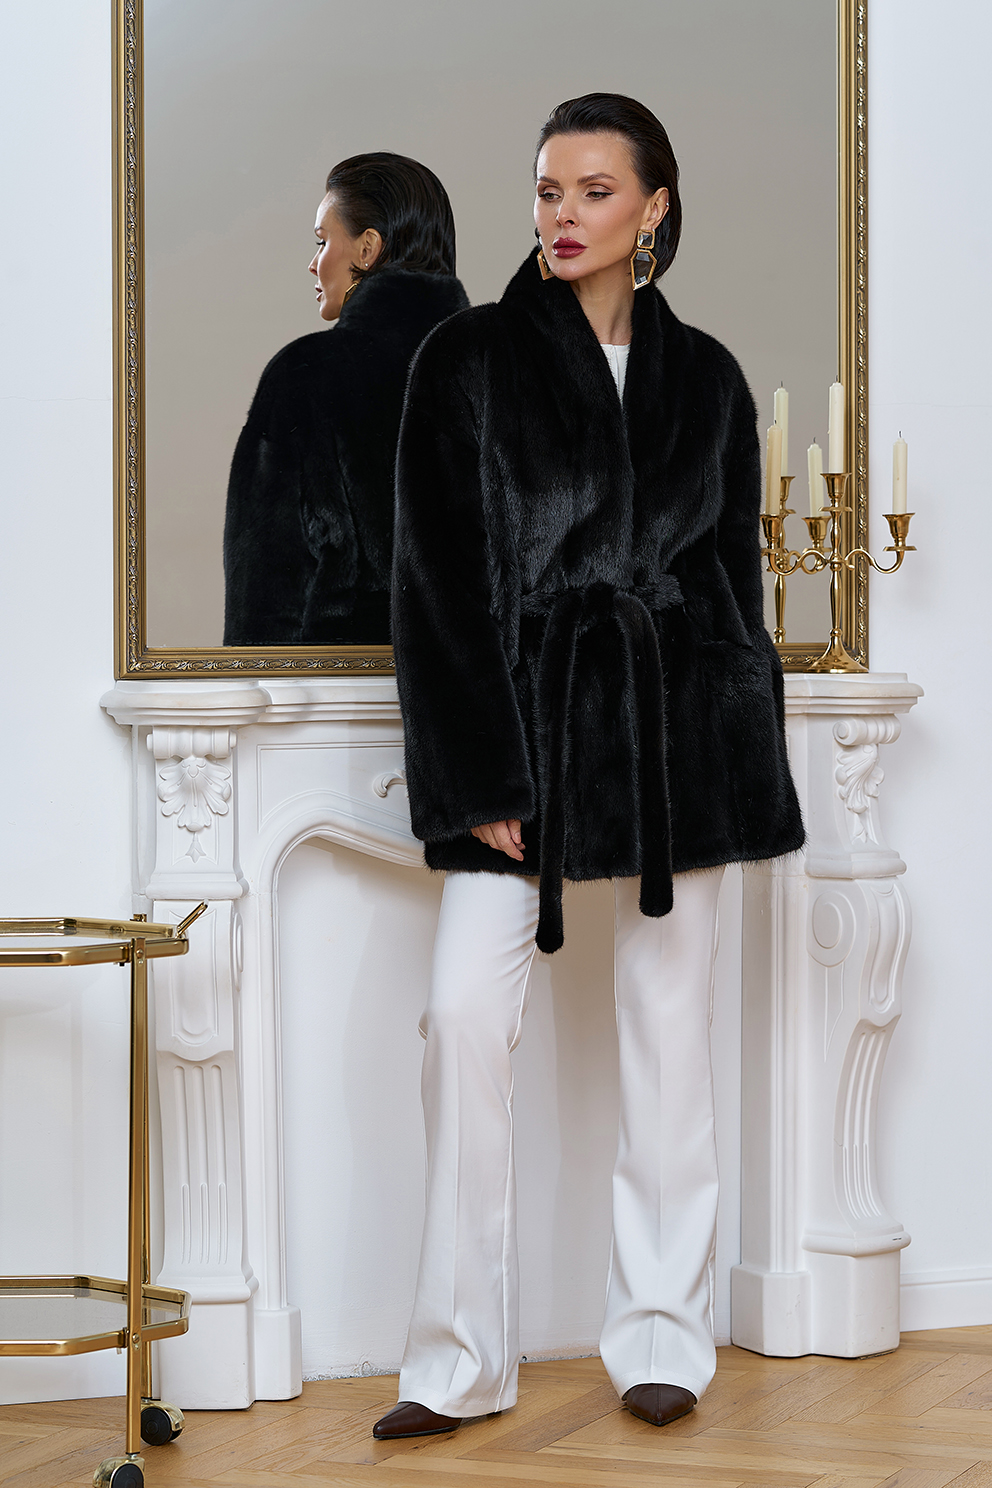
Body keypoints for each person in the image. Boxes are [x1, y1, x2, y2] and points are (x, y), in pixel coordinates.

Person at [378, 94, 805, 1441]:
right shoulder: (466, 359)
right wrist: (481, 776)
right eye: (547, 190)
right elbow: (435, 587)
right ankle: (456, 1360)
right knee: (460, 1020)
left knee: (672, 1040)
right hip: (525, 727)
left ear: (654, 207)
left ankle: (663, 1337)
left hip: (678, 747)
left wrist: (735, 744)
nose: (562, 215)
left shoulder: (708, 380)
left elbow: (728, 588)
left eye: (594, 191)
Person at [223, 153, 468, 645]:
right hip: (481, 683)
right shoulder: (501, 367)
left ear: (368, 248)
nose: (313, 263)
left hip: (340, 681)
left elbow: (266, 591)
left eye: (322, 241)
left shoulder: (305, 374)